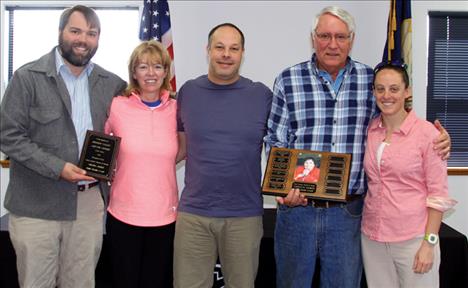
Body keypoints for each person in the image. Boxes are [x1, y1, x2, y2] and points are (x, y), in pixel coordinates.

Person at [264, 6, 451, 288]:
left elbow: (396, 119)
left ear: (351, 39)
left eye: (340, 36)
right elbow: (275, 141)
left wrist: (439, 137)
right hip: (298, 210)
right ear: (313, 38)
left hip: (347, 214)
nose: (332, 44)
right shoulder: (288, 80)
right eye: (325, 35)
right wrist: (283, 187)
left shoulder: (370, 81)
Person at [0, 5, 126, 288]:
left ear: (98, 38)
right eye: (76, 31)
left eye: (91, 33)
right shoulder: (27, 77)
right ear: (60, 32)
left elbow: (132, 127)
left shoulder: (112, 84)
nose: (83, 39)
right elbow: (8, 136)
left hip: (88, 205)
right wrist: (58, 168)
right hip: (36, 204)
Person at [173, 23, 272, 288]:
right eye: (219, 47)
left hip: (244, 216)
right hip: (194, 214)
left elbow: (280, 148)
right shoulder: (188, 92)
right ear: (208, 51)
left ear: (242, 53)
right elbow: (178, 148)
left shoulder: (261, 95)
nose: (226, 54)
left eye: (233, 48)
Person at [361, 62, 456, 288]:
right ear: (373, 91)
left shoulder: (428, 135)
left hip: (413, 241)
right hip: (372, 238)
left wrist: (429, 244)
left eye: (394, 89)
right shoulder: (370, 130)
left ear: (407, 91)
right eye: (380, 89)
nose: (387, 96)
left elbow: (438, 195)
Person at [104, 40, 181, 288]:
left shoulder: (178, 109)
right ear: (133, 73)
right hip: (123, 215)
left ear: (166, 72)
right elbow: (103, 151)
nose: (151, 73)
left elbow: (184, 149)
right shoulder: (117, 106)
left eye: (157, 67)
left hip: (165, 216)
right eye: (143, 67)